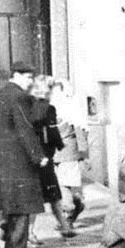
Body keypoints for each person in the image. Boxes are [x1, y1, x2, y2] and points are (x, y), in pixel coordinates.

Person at [0, 61, 47, 248]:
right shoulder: (19, 96)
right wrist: (38, 156)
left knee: (10, 200)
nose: (31, 81)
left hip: (1, 155)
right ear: (16, 76)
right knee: (22, 201)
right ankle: (17, 245)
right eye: (28, 77)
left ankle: (11, 239)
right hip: (19, 157)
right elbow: (25, 128)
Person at [28, 74, 77, 242]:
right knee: (51, 194)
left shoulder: (29, 106)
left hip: (35, 157)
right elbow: (52, 131)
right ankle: (60, 227)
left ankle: (60, 227)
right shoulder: (48, 108)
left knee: (46, 195)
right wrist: (59, 146)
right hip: (44, 157)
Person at [50, 79, 88, 225]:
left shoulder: (70, 109)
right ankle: (76, 205)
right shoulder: (53, 108)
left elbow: (80, 133)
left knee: (64, 184)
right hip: (59, 154)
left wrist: (84, 155)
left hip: (67, 153)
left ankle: (69, 212)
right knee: (68, 184)